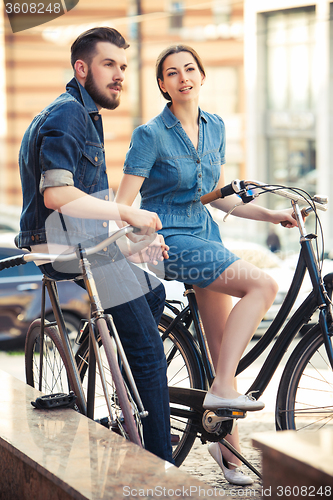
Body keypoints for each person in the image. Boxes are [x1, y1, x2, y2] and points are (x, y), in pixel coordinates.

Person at [115, 44, 297, 484]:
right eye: (172, 73)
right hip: (171, 238)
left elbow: (217, 198)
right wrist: (144, 237)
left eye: (190, 69)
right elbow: (123, 205)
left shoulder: (215, 127)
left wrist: (271, 213)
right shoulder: (150, 134)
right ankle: (219, 394)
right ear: (162, 85)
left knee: (223, 354)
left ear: (201, 75)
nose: (183, 78)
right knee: (263, 286)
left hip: (206, 235)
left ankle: (224, 446)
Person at [15, 27, 173, 463]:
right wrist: (127, 214)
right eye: (109, 65)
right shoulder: (68, 116)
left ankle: (114, 366)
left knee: (155, 294)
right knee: (147, 353)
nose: (120, 74)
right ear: (81, 68)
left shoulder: (83, 114)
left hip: (77, 244)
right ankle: (160, 466)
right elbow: (57, 195)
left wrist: (125, 243)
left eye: (123, 66)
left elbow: (79, 210)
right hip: (66, 250)